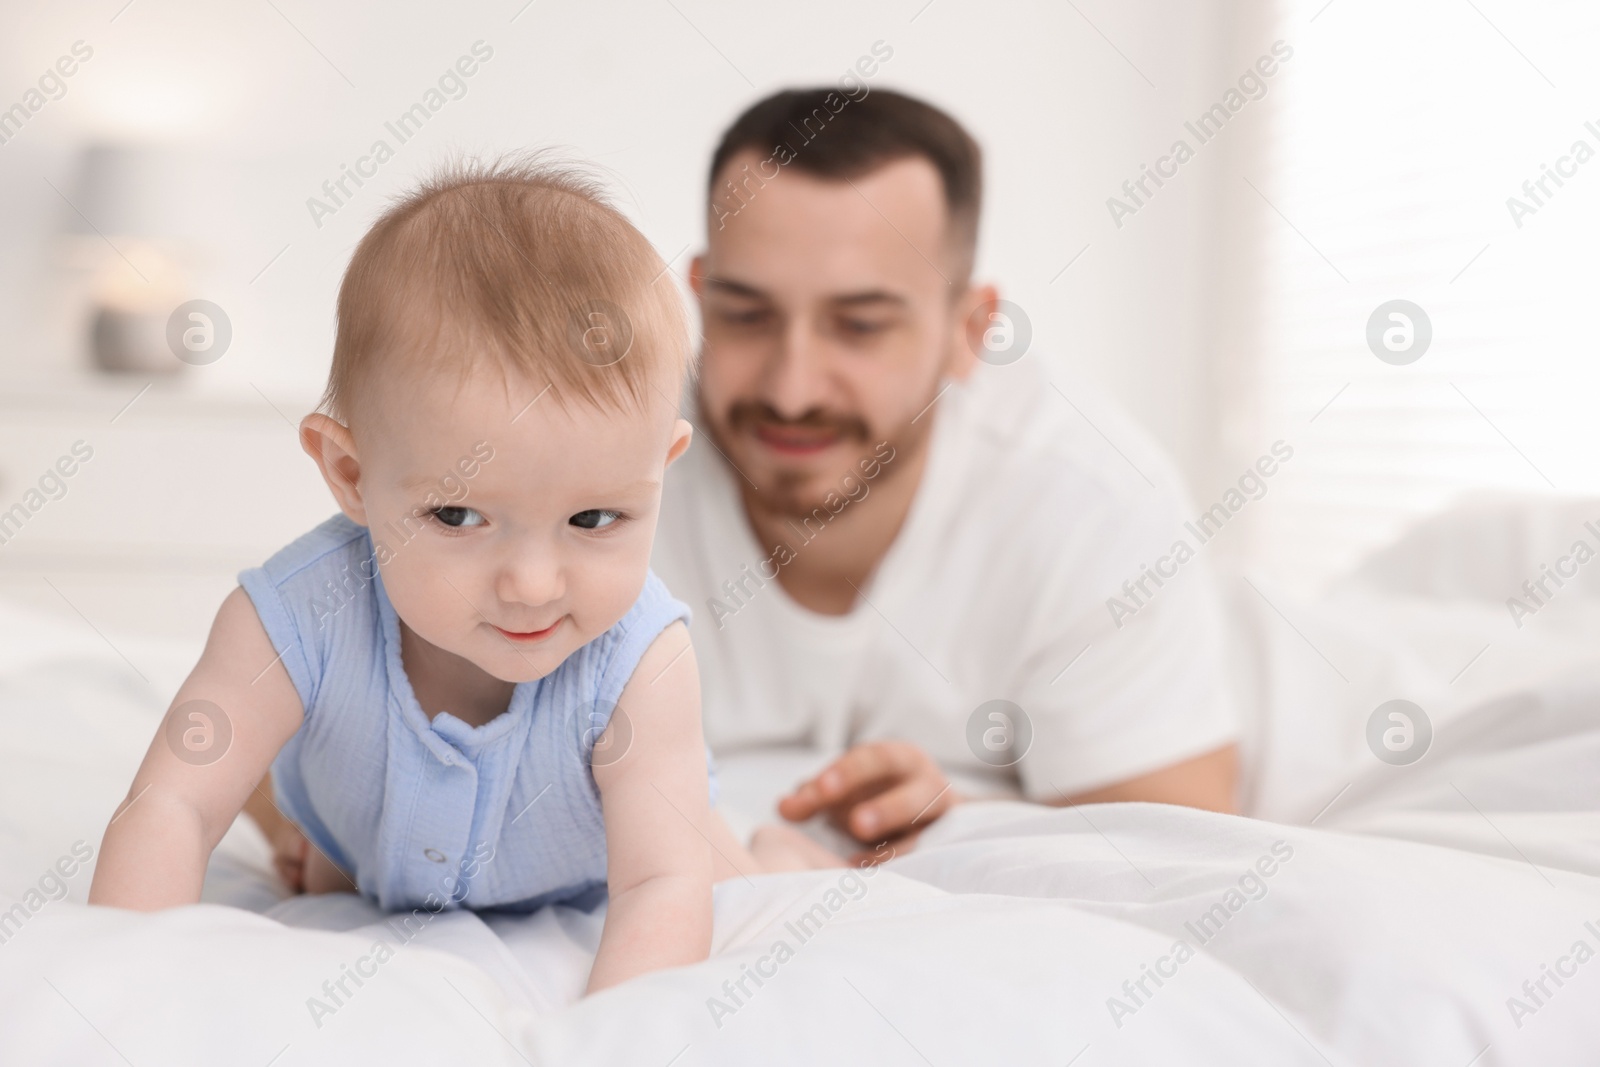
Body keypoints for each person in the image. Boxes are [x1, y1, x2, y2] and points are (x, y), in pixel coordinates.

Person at [88, 159, 831, 995]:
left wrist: (605, 1033)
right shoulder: (292, 616)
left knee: (725, 876)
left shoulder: (640, 662)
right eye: (458, 517)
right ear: (351, 472)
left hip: (591, 857)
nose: (533, 584)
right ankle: (307, 822)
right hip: (371, 850)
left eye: (595, 519)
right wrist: (120, 986)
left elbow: (658, 886)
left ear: (663, 467)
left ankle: (779, 844)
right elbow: (170, 807)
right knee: (318, 848)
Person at [652, 88, 1239, 861]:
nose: (791, 389)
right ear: (698, 295)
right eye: (746, 314)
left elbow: (1181, 844)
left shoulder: (1090, 497)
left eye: (859, 325)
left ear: (971, 331)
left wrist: (965, 821)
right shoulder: (597, 462)